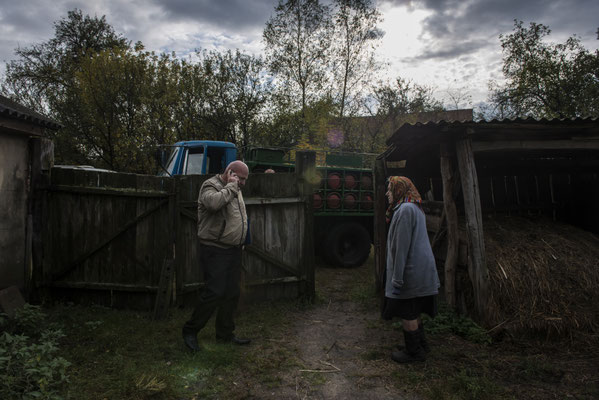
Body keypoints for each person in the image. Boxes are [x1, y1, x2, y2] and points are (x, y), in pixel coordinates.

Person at [182, 160, 251, 352]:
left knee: (231, 293)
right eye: (241, 178)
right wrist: (231, 186)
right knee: (214, 292)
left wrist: (241, 239)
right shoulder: (210, 185)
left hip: (233, 249)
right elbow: (213, 204)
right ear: (230, 172)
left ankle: (225, 334)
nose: (243, 183)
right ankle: (190, 331)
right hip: (215, 249)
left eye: (245, 179)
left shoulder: (234, 187)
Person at [382, 176, 440, 363]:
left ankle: (414, 353)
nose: (387, 193)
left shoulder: (405, 210)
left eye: (390, 189)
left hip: (410, 272)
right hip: (418, 270)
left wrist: (397, 278)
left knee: (407, 312)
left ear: (399, 191)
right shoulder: (413, 207)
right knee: (414, 310)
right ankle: (420, 345)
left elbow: (401, 248)